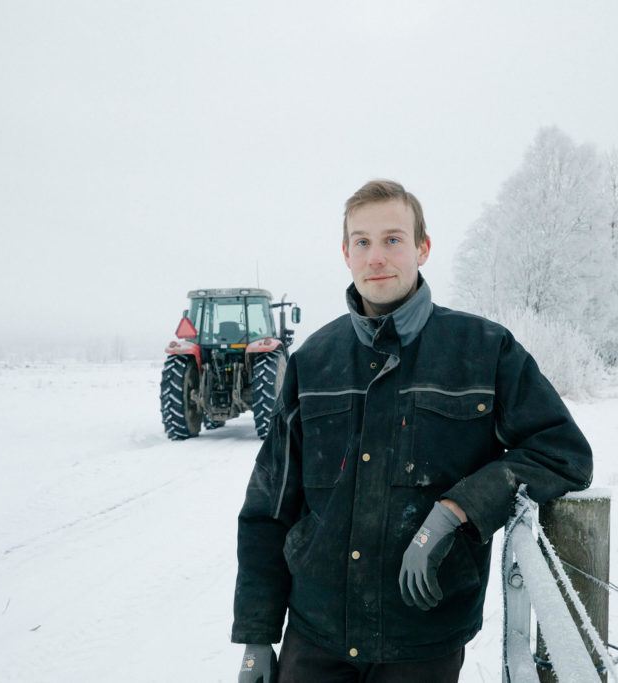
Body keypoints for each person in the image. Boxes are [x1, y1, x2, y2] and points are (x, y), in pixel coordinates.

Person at [232, 179, 593, 682]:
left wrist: (458, 509)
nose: (376, 256)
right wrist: (256, 635)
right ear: (345, 253)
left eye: (393, 239)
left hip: (423, 638)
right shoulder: (313, 361)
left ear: (423, 248)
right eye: (362, 241)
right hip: (314, 636)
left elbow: (562, 452)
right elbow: (268, 507)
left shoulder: (484, 350)